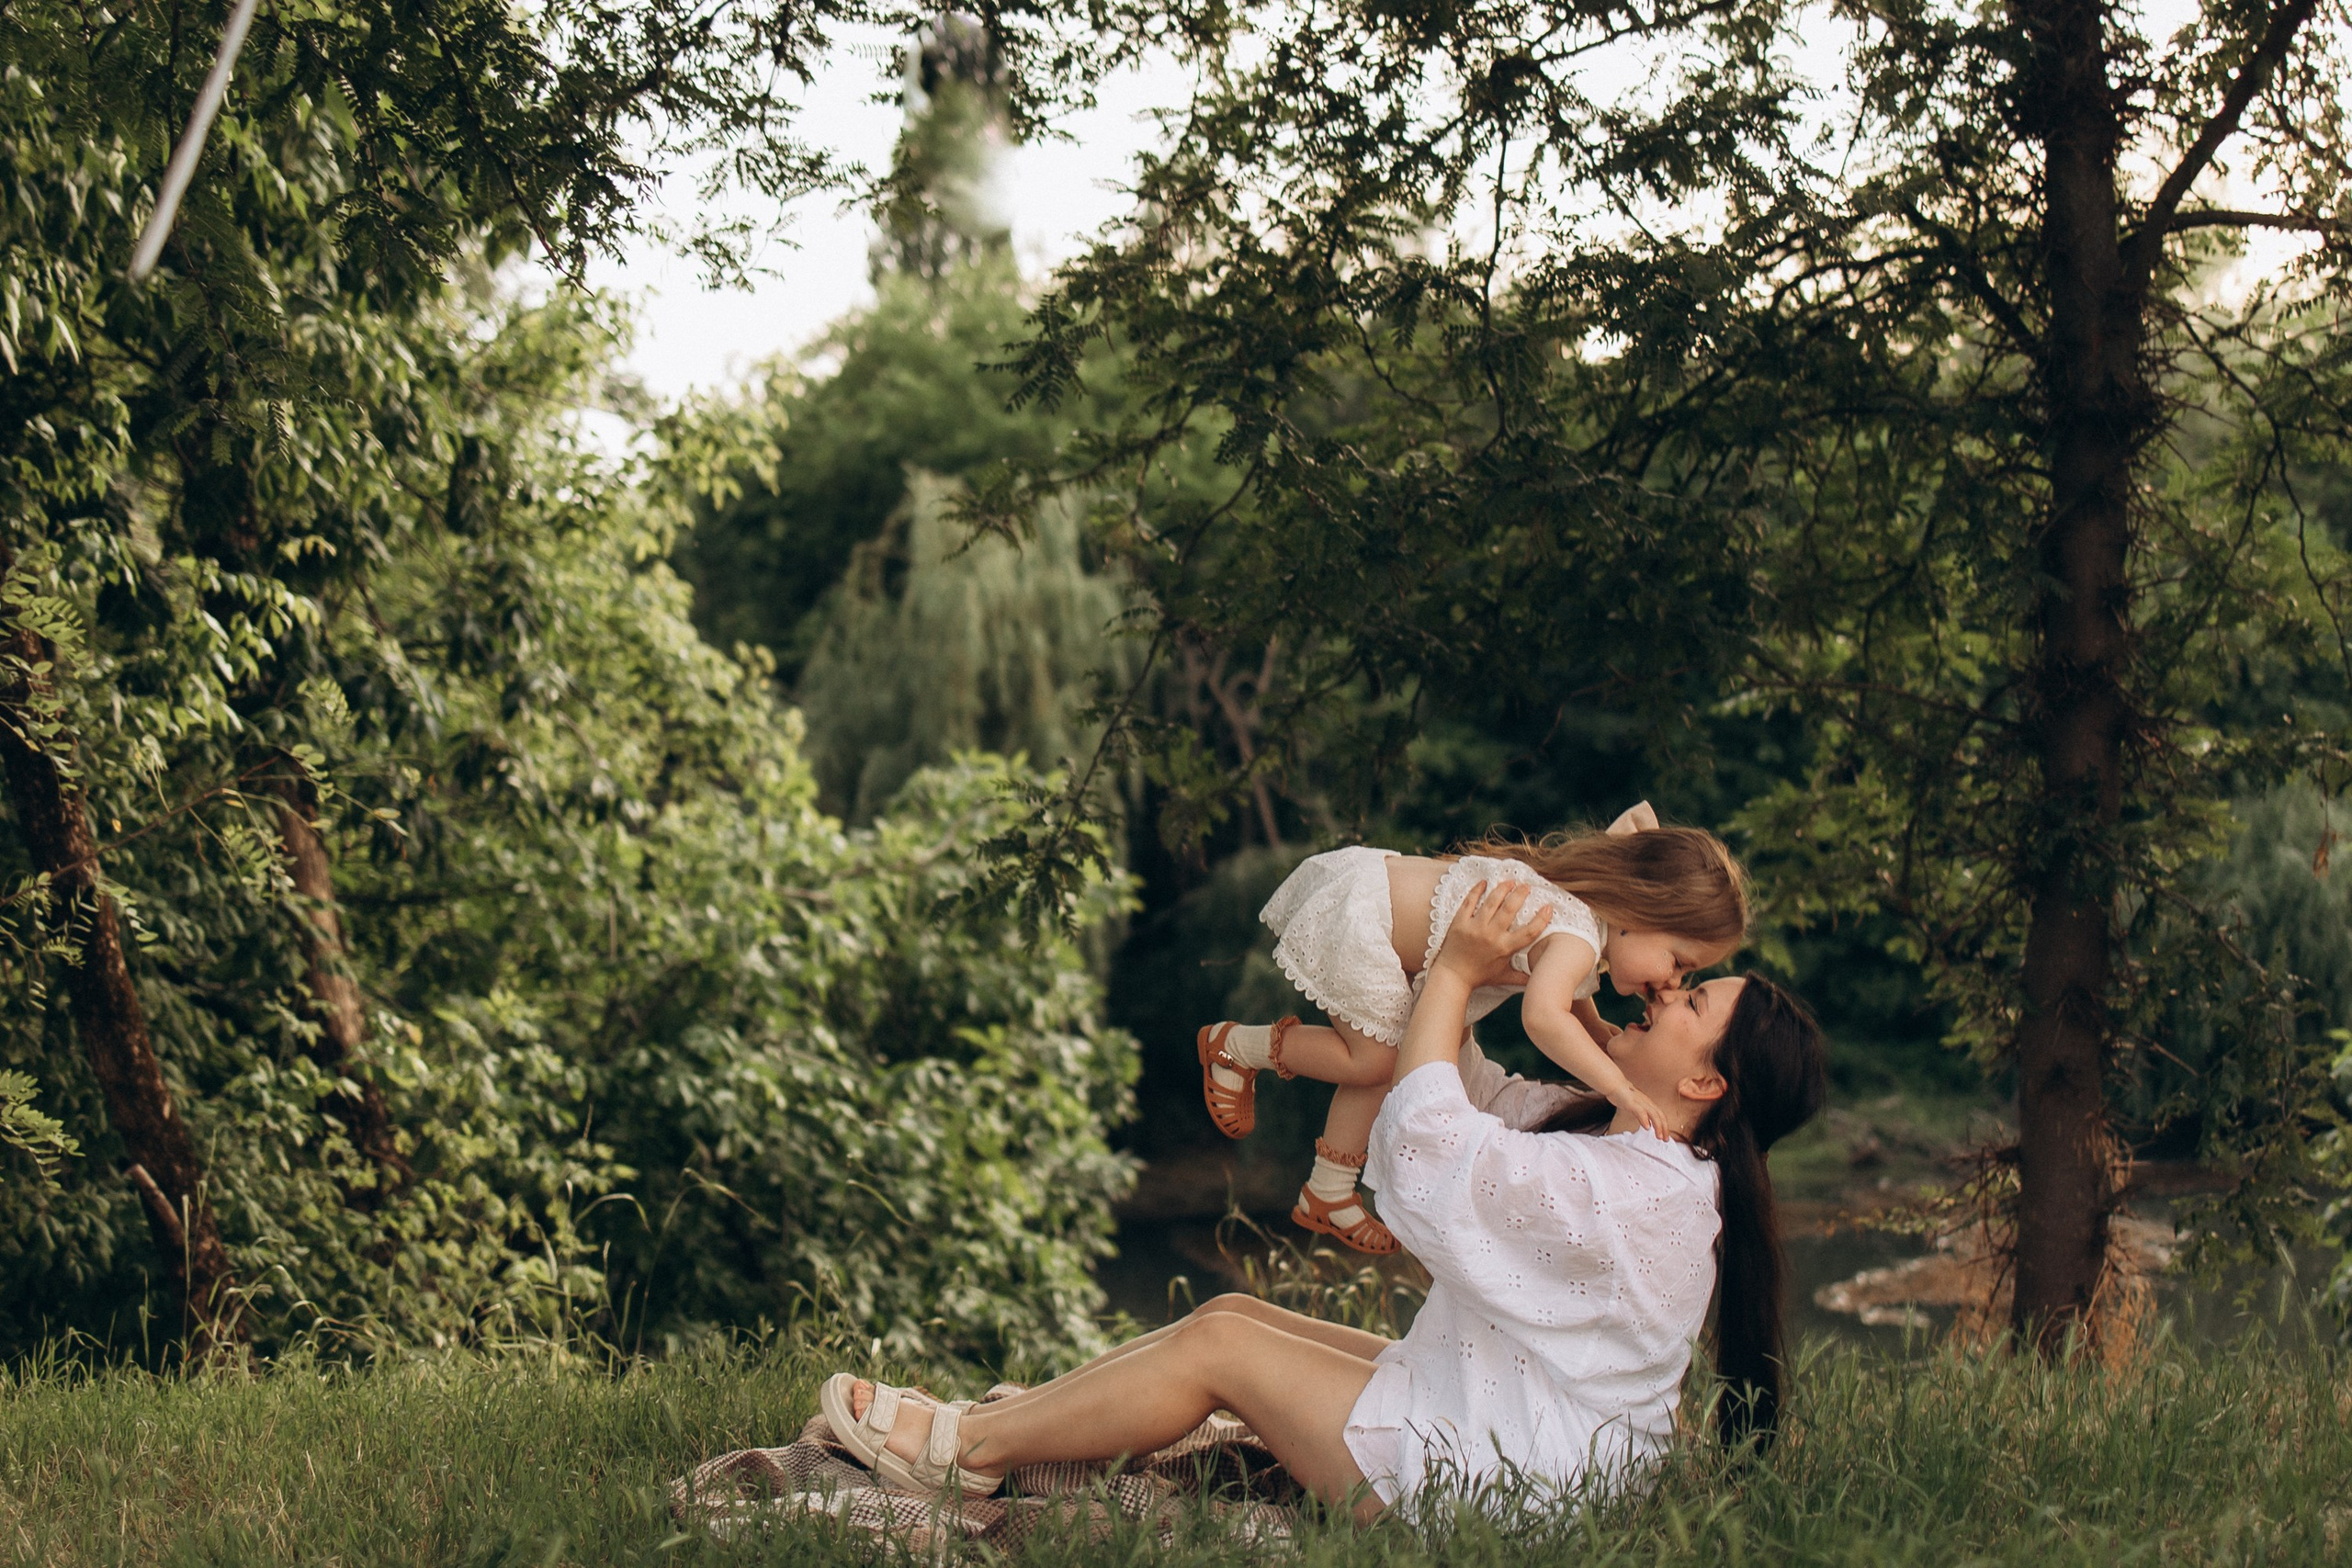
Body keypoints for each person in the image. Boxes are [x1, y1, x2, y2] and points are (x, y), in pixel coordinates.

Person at [818, 880, 1828, 1517]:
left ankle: (964, 1454)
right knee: (1232, 1311)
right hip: (1507, 1422)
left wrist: (1455, 972)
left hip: (1505, 1486)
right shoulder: (1629, 1142)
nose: (1664, 992)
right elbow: (1471, 1086)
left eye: (1692, 999)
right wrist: (1443, 953)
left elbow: (1433, 1138)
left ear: (1706, 1081)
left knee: (1221, 1352)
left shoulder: (1635, 1191)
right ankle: (1004, 1423)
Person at [1199, 804, 1749, 1253]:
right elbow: (1544, 1016)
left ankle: (1328, 1187)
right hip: (1364, 917)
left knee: (1388, 1056)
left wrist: (1599, 1032)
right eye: (1679, 962)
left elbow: (1571, 999)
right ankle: (1236, 1048)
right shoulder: (1579, 938)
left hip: (1373, 906)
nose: (1671, 983)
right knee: (1375, 1060)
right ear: (1640, 910)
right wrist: (1617, 1085)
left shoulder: (1583, 926)